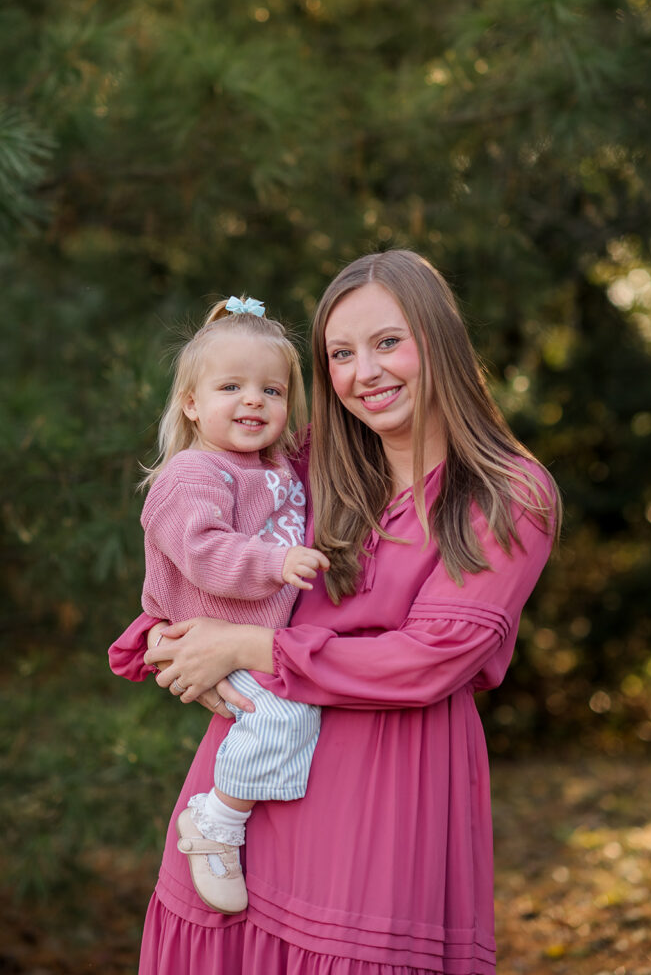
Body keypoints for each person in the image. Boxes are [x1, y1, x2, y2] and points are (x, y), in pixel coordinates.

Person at [110, 249, 561, 975]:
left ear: (439, 339)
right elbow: (194, 549)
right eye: (341, 354)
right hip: (242, 802)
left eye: (388, 342)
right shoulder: (306, 467)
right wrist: (170, 637)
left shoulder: (508, 494)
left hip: (389, 801)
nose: (365, 372)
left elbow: (429, 660)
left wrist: (244, 650)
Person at [115, 294, 329, 914]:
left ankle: (227, 814)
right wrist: (275, 562)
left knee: (290, 717)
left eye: (272, 389)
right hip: (217, 631)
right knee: (285, 718)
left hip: (251, 635)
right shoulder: (194, 474)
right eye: (231, 386)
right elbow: (204, 551)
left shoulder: (275, 465)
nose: (254, 400)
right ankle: (216, 820)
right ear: (191, 403)